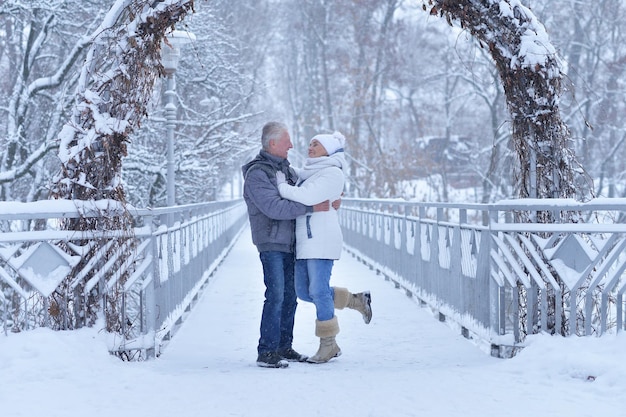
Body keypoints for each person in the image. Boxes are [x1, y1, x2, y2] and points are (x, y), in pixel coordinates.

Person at [276, 131, 372, 364]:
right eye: (310, 143)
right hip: (304, 240)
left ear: (328, 149)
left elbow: (306, 196)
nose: (310, 147)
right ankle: (356, 301)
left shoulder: (332, 173)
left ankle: (328, 344)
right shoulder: (311, 171)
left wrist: (280, 184)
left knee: (319, 291)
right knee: (304, 292)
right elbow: (296, 175)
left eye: (316, 144)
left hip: (321, 239)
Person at [241, 121, 331, 369]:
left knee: (291, 297)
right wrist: (311, 208)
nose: (292, 145)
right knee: (276, 295)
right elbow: (274, 208)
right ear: (272, 143)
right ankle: (267, 351)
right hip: (271, 242)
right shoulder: (258, 174)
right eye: (286, 141)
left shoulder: (287, 171)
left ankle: (283, 346)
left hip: (291, 243)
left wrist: (332, 197)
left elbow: (309, 190)